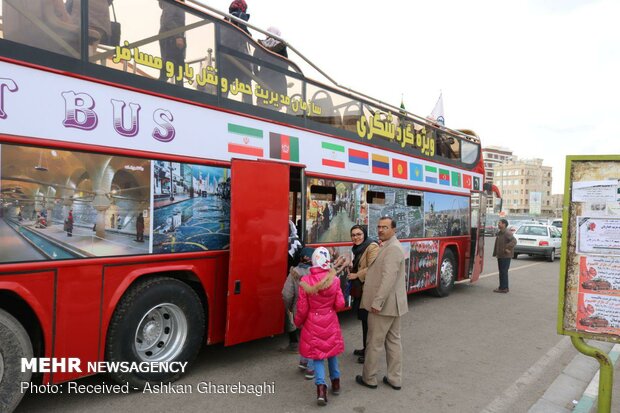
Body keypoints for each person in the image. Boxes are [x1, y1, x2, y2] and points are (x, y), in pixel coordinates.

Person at [356, 216, 407, 391]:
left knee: (374, 342)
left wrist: (377, 302)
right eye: (378, 227)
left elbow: (388, 279)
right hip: (394, 305)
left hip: (384, 306)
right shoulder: (389, 246)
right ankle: (395, 379)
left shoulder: (392, 249)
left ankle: (369, 378)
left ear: (394, 229)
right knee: (393, 342)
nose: (380, 230)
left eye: (384, 227)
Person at [295, 247, 345, 406]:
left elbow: (302, 308)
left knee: (317, 356)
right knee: (332, 353)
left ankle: (321, 390)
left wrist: (297, 322)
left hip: (312, 322)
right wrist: (331, 310)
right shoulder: (335, 280)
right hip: (330, 319)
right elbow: (341, 303)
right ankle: (336, 383)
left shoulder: (306, 282)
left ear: (314, 261)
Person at [347, 225, 379, 364]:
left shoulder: (372, 246)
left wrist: (356, 275)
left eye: (359, 234)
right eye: (353, 235)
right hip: (361, 290)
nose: (356, 237)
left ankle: (369, 353)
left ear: (364, 234)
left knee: (369, 323)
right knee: (364, 321)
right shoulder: (358, 248)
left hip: (368, 289)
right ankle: (366, 348)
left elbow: (373, 267)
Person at [282, 247, 315, 378]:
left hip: (299, 310)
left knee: (304, 336)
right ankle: (311, 368)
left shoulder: (293, 272)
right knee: (313, 339)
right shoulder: (319, 273)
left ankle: (303, 360)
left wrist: (290, 308)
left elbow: (286, 294)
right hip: (316, 311)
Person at [219, 0, 253, 104]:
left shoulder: (226, 18)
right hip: (239, 57)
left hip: (226, 57)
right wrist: (250, 36)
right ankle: (249, 107)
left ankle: (221, 103)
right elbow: (244, 32)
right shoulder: (240, 15)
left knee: (225, 84)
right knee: (247, 83)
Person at [158, 0, 186, 84]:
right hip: (171, 38)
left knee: (178, 67)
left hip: (173, 37)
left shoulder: (178, 4)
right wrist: (178, 36)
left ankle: (159, 86)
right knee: (172, 65)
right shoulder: (173, 3)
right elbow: (167, 21)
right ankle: (158, 87)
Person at [492, 218, 517, 293]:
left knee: (503, 272)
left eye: (499, 223)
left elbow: (514, 241)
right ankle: (502, 287)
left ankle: (504, 288)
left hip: (505, 256)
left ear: (504, 224)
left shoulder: (507, 232)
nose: (498, 224)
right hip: (501, 255)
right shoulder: (500, 232)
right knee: (502, 272)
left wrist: (507, 248)